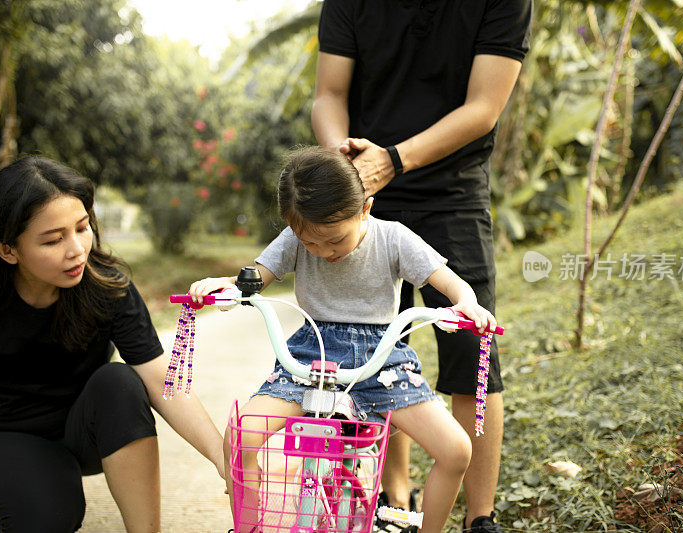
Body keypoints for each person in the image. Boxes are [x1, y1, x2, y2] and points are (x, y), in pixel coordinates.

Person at [189, 147, 496, 533]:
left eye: (334, 240)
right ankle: (247, 526)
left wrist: (466, 305)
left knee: (456, 450)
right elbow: (251, 283)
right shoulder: (294, 237)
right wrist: (227, 288)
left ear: (365, 208)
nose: (322, 252)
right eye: (310, 244)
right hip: (309, 357)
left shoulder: (394, 239)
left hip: (381, 360)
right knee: (240, 435)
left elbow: (455, 286)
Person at [311, 1, 532, 531]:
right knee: (367, 347)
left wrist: (394, 158)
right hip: (362, 191)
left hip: (451, 194)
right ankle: (396, 498)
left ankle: (481, 519)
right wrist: (345, 167)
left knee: (473, 350)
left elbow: (483, 106)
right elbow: (329, 94)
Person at [0, 156, 225, 533]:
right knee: (48, 518)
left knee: (120, 381)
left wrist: (222, 455)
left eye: (82, 228)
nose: (76, 249)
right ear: (8, 250)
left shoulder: (107, 288)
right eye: (53, 239)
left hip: (87, 429)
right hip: (4, 435)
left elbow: (162, 381)